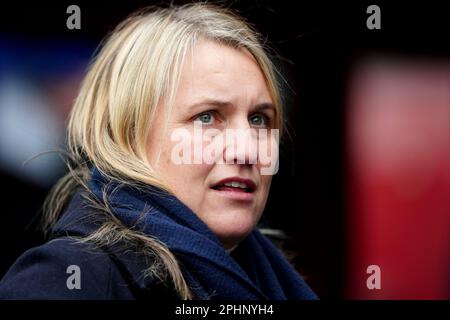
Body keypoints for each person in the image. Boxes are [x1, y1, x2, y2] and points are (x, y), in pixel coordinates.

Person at [0, 3, 317, 300]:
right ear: (130, 135)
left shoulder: (274, 281)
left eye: (259, 119)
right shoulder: (66, 280)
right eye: (206, 117)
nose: (246, 150)